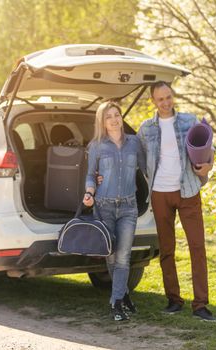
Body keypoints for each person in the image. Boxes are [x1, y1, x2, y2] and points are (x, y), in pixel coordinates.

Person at [136, 81, 216, 322]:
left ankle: (200, 304)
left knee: (197, 247)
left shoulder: (189, 121)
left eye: (168, 97)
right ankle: (174, 299)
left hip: (188, 190)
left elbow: (208, 153)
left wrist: (207, 168)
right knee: (167, 249)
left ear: (173, 96)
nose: (165, 102)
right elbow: (141, 161)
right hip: (160, 192)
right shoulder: (146, 128)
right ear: (153, 101)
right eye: (160, 99)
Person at [83, 101, 145, 322]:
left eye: (116, 114)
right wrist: (89, 192)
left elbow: (146, 170)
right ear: (103, 121)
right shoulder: (97, 146)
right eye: (108, 116)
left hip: (129, 207)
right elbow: (91, 175)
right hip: (103, 206)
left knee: (123, 257)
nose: (114, 119)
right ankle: (123, 295)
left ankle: (116, 303)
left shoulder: (134, 144)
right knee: (111, 255)